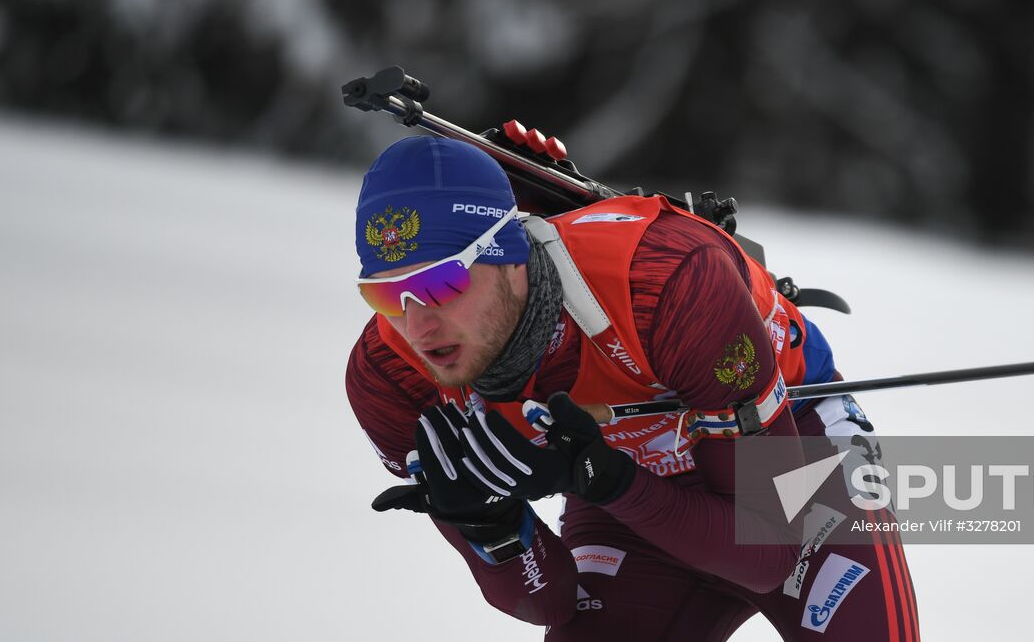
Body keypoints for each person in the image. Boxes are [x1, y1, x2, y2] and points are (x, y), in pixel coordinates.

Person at [344, 135, 921, 640]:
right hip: (627, 492)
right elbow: (546, 600)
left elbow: (769, 552)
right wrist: (492, 528)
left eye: (443, 283)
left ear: (510, 254)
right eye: (387, 296)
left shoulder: (666, 282)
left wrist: (606, 481)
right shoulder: (390, 380)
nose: (418, 327)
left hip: (793, 453)